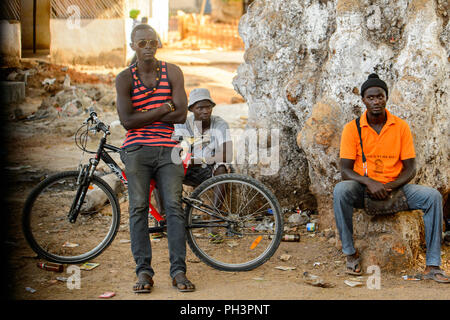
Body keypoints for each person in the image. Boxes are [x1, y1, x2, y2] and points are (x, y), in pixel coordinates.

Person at [333, 73, 449, 283]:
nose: (376, 101)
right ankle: (350, 255)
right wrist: (370, 182)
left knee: (432, 197)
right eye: (371, 97)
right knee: (340, 190)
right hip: (365, 190)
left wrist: (389, 186)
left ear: (386, 98)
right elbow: (345, 170)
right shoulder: (353, 129)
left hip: (396, 189)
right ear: (363, 100)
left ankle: (433, 265)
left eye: (380, 97)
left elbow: (410, 168)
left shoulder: (400, 126)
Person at [115, 23, 195, 293]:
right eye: (142, 43)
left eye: (152, 42)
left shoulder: (172, 71)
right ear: (132, 46)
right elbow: (127, 122)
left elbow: (181, 114)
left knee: (173, 207)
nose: (148, 47)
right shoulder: (125, 78)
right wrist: (164, 108)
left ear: (158, 44)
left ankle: (178, 271)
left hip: (168, 148)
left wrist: (145, 115)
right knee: (138, 208)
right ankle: (144, 272)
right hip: (136, 150)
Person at [174, 88, 233, 188]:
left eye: (208, 107)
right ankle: (172, 204)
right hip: (188, 169)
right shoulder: (183, 124)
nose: (205, 111)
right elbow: (176, 151)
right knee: (162, 172)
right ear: (191, 109)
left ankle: (216, 205)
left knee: (222, 168)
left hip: (210, 168)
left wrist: (199, 160)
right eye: (200, 108)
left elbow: (227, 154)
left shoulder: (220, 124)